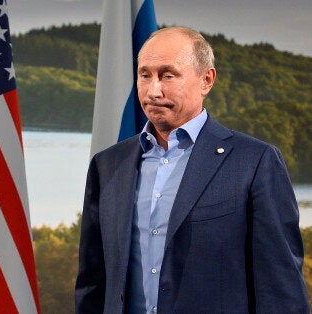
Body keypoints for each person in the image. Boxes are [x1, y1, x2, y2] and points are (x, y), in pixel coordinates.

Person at [75, 26, 309, 313]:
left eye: (168, 75)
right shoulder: (108, 164)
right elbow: (92, 284)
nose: (153, 90)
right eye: (145, 75)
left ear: (206, 80)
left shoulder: (255, 162)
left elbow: (281, 289)